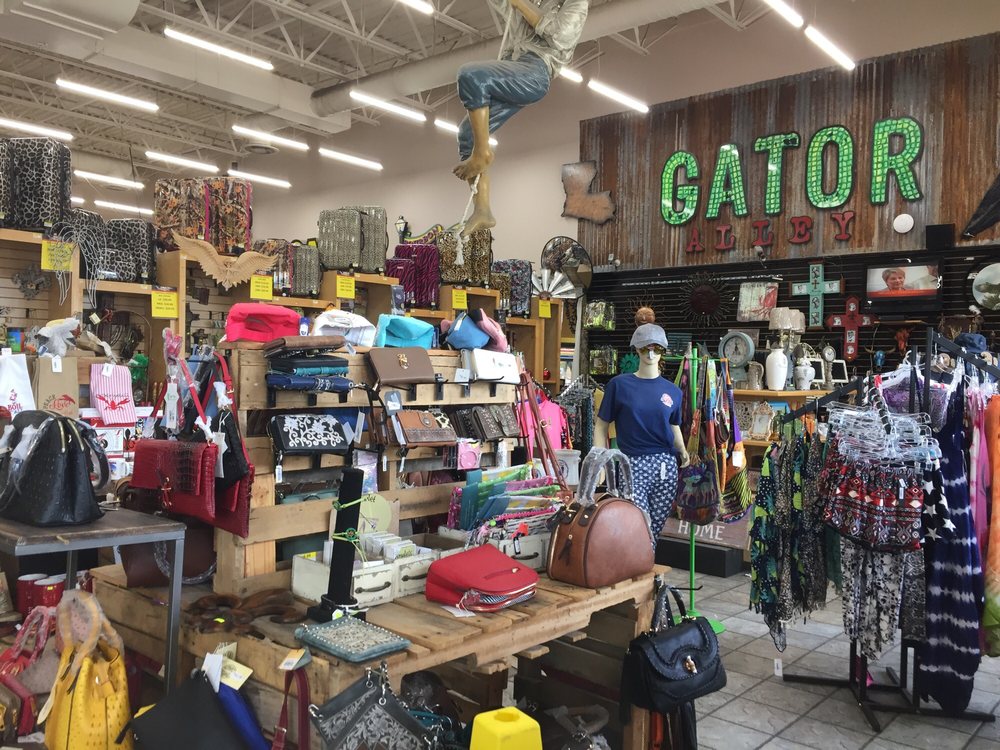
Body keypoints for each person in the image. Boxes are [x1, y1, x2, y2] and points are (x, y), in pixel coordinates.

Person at [453, 0, 589, 235]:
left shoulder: (576, 3)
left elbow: (561, 35)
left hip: (535, 71)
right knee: (467, 134)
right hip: (511, 68)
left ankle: (483, 153)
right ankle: (483, 209)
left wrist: (522, 4)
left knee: (471, 75)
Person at [593, 321, 690, 543]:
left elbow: (673, 425)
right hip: (632, 462)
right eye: (646, 348)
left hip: (665, 465)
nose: (651, 354)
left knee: (654, 528)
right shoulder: (619, 385)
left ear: (663, 350)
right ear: (637, 349)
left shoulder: (673, 391)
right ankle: (637, 562)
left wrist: (682, 450)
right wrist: (600, 461)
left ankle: (646, 562)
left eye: (657, 348)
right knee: (637, 525)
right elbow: (601, 425)